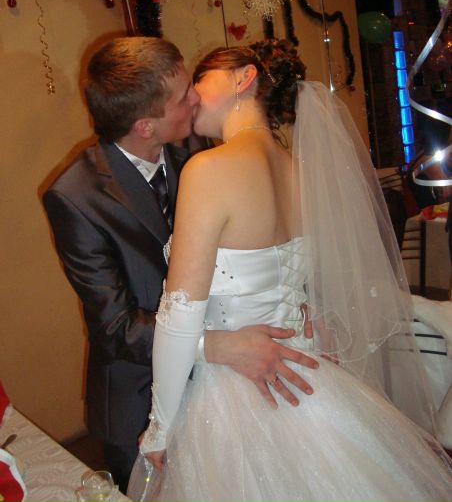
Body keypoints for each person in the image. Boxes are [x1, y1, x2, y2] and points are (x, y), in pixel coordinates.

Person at [129, 40, 452, 502]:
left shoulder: (208, 169)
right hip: (305, 376)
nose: (193, 94)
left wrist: (160, 428)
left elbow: (180, 315)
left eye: (201, 78)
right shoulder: (301, 173)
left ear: (243, 78)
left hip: (234, 394)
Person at [42, 37, 318, 493]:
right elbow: (115, 326)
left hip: (246, 386)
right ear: (145, 125)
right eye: (183, 94)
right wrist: (220, 346)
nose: (196, 98)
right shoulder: (75, 196)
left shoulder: (203, 142)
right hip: (140, 395)